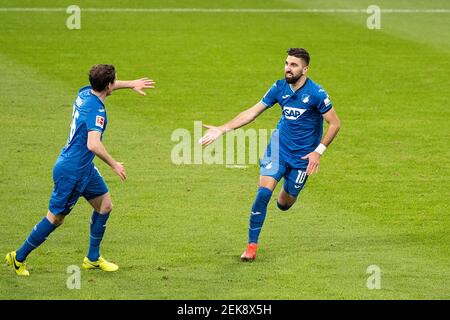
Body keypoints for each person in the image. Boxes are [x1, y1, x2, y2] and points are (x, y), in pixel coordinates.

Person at [5, 64, 155, 276]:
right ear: (109, 86)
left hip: (84, 167)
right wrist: (114, 164)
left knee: (105, 205)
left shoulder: (85, 92)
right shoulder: (97, 111)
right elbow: (93, 144)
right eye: (115, 82)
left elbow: (107, 86)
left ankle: (92, 259)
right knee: (56, 218)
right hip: (72, 171)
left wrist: (131, 84)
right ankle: (18, 257)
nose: (115, 84)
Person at [199, 48, 341, 261]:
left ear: (305, 69)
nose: (288, 68)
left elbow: (335, 124)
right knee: (263, 193)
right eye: (286, 63)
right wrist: (222, 129)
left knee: (284, 204)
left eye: (293, 65)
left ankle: (287, 189)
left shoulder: (316, 94)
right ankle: (251, 246)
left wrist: (317, 152)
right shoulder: (279, 87)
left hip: (303, 158)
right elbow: (252, 112)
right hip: (278, 150)